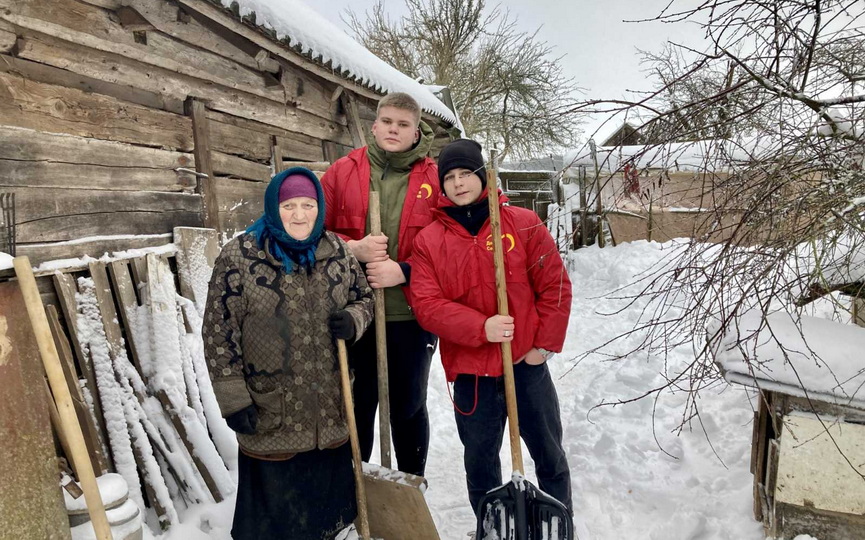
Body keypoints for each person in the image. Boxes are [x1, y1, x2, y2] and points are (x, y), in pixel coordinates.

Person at [203, 167, 374, 540]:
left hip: (330, 410)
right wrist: (233, 399)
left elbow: (365, 298)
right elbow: (218, 332)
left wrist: (354, 319)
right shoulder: (240, 256)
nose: (300, 215)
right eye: (290, 205)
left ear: (320, 207)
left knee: (328, 520)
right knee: (274, 526)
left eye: (308, 205)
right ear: (273, 207)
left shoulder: (338, 251)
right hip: (271, 411)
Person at [410, 139, 574, 517]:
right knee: (480, 462)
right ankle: (493, 526)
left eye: (466, 173)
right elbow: (427, 305)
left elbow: (555, 286)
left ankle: (560, 520)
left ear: (482, 176)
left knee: (549, 452)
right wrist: (480, 327)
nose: (458, 182)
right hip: (472, 373)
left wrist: (544, 346)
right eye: (449, 177)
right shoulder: (429, 241)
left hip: (525, 366)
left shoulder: (523, 224)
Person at [321, 91, 440, 477]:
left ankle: (409, 490)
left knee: (408, 405)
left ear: (416, 130)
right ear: (374, 126)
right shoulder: (342, 172)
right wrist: (351, 248)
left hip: (411, 313)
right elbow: (306, 231)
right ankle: (358, 492)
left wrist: (404, 271)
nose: (394, 129)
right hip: (356, 314)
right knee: (357, 404)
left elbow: (454, 249)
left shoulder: (435, 180)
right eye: (387, 121)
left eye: (403, 124)